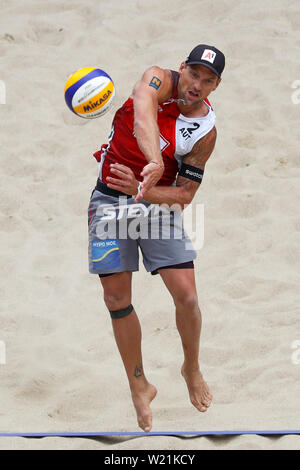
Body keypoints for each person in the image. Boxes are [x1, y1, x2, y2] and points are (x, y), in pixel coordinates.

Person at [88, 44, 225, 433]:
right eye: (194, 73)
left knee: (187, 296)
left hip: (156, 206)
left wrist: (145, 188)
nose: (197, 84)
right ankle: (139, 386)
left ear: (216, 86)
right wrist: (154, 162)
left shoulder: (204, 132)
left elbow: (183, 196)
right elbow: (143, 113)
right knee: (116, 298)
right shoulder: (157, 78)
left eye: (208, 80)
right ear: (181, 68)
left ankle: (191, 367)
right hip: (110, 198)